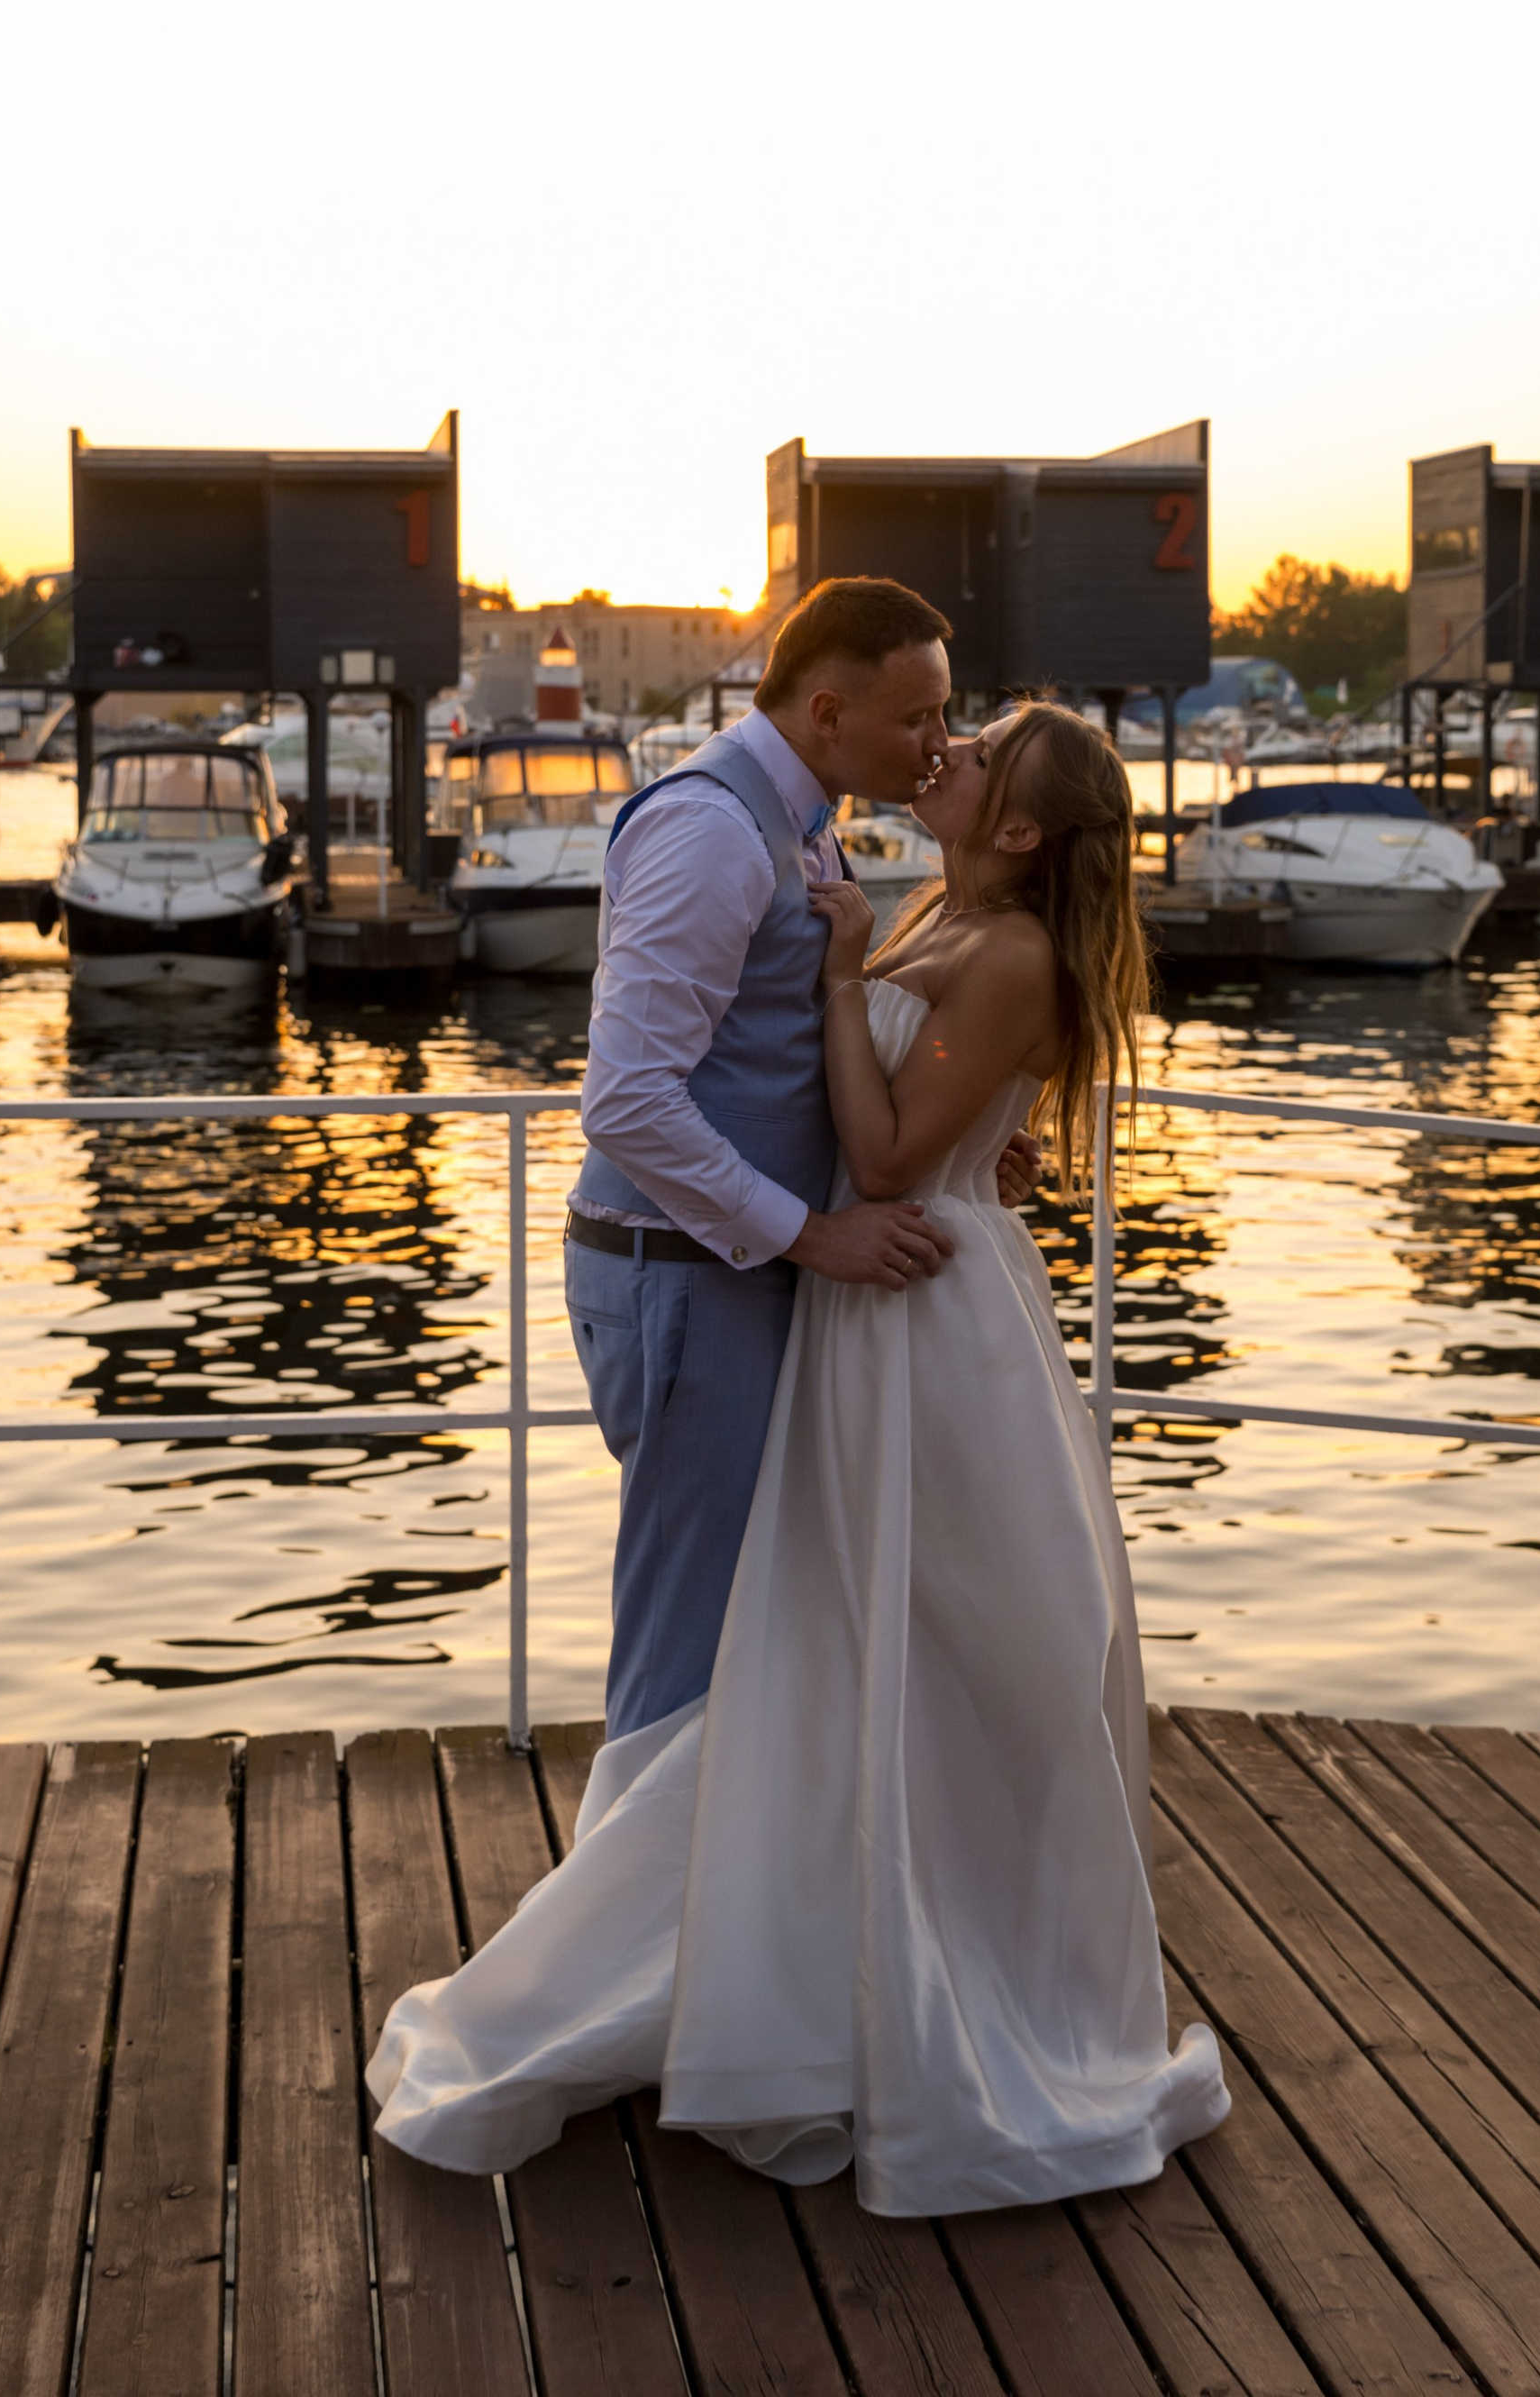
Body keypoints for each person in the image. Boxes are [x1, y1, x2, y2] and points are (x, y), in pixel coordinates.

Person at [369, 697, 1226, 2214]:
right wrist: (946, 1084)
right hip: (862, 1299)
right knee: (833, 1637)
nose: (945, 748)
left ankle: (940, 1969)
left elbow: (893, 1155)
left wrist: (851, 990)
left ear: (1024, 829)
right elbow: (916, 1112)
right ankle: (796, 1953)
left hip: (922, 1306)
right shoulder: (923, 902)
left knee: (933, 1642)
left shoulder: (1006, 945)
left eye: (982, 750)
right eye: (941, 723)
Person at [564, 573, 998, 1740]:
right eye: (918, 719)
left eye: (943, 717)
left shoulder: (802, 822)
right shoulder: (711, 830)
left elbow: (781, 1047)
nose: (938, 744)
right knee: (685, 1650)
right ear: (825, 713)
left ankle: (710, 1910)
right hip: (683, 1280)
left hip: (727, 1279)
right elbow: (628, 1099)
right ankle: (629, 1920)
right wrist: (814, 1234)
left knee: (742, 1633)